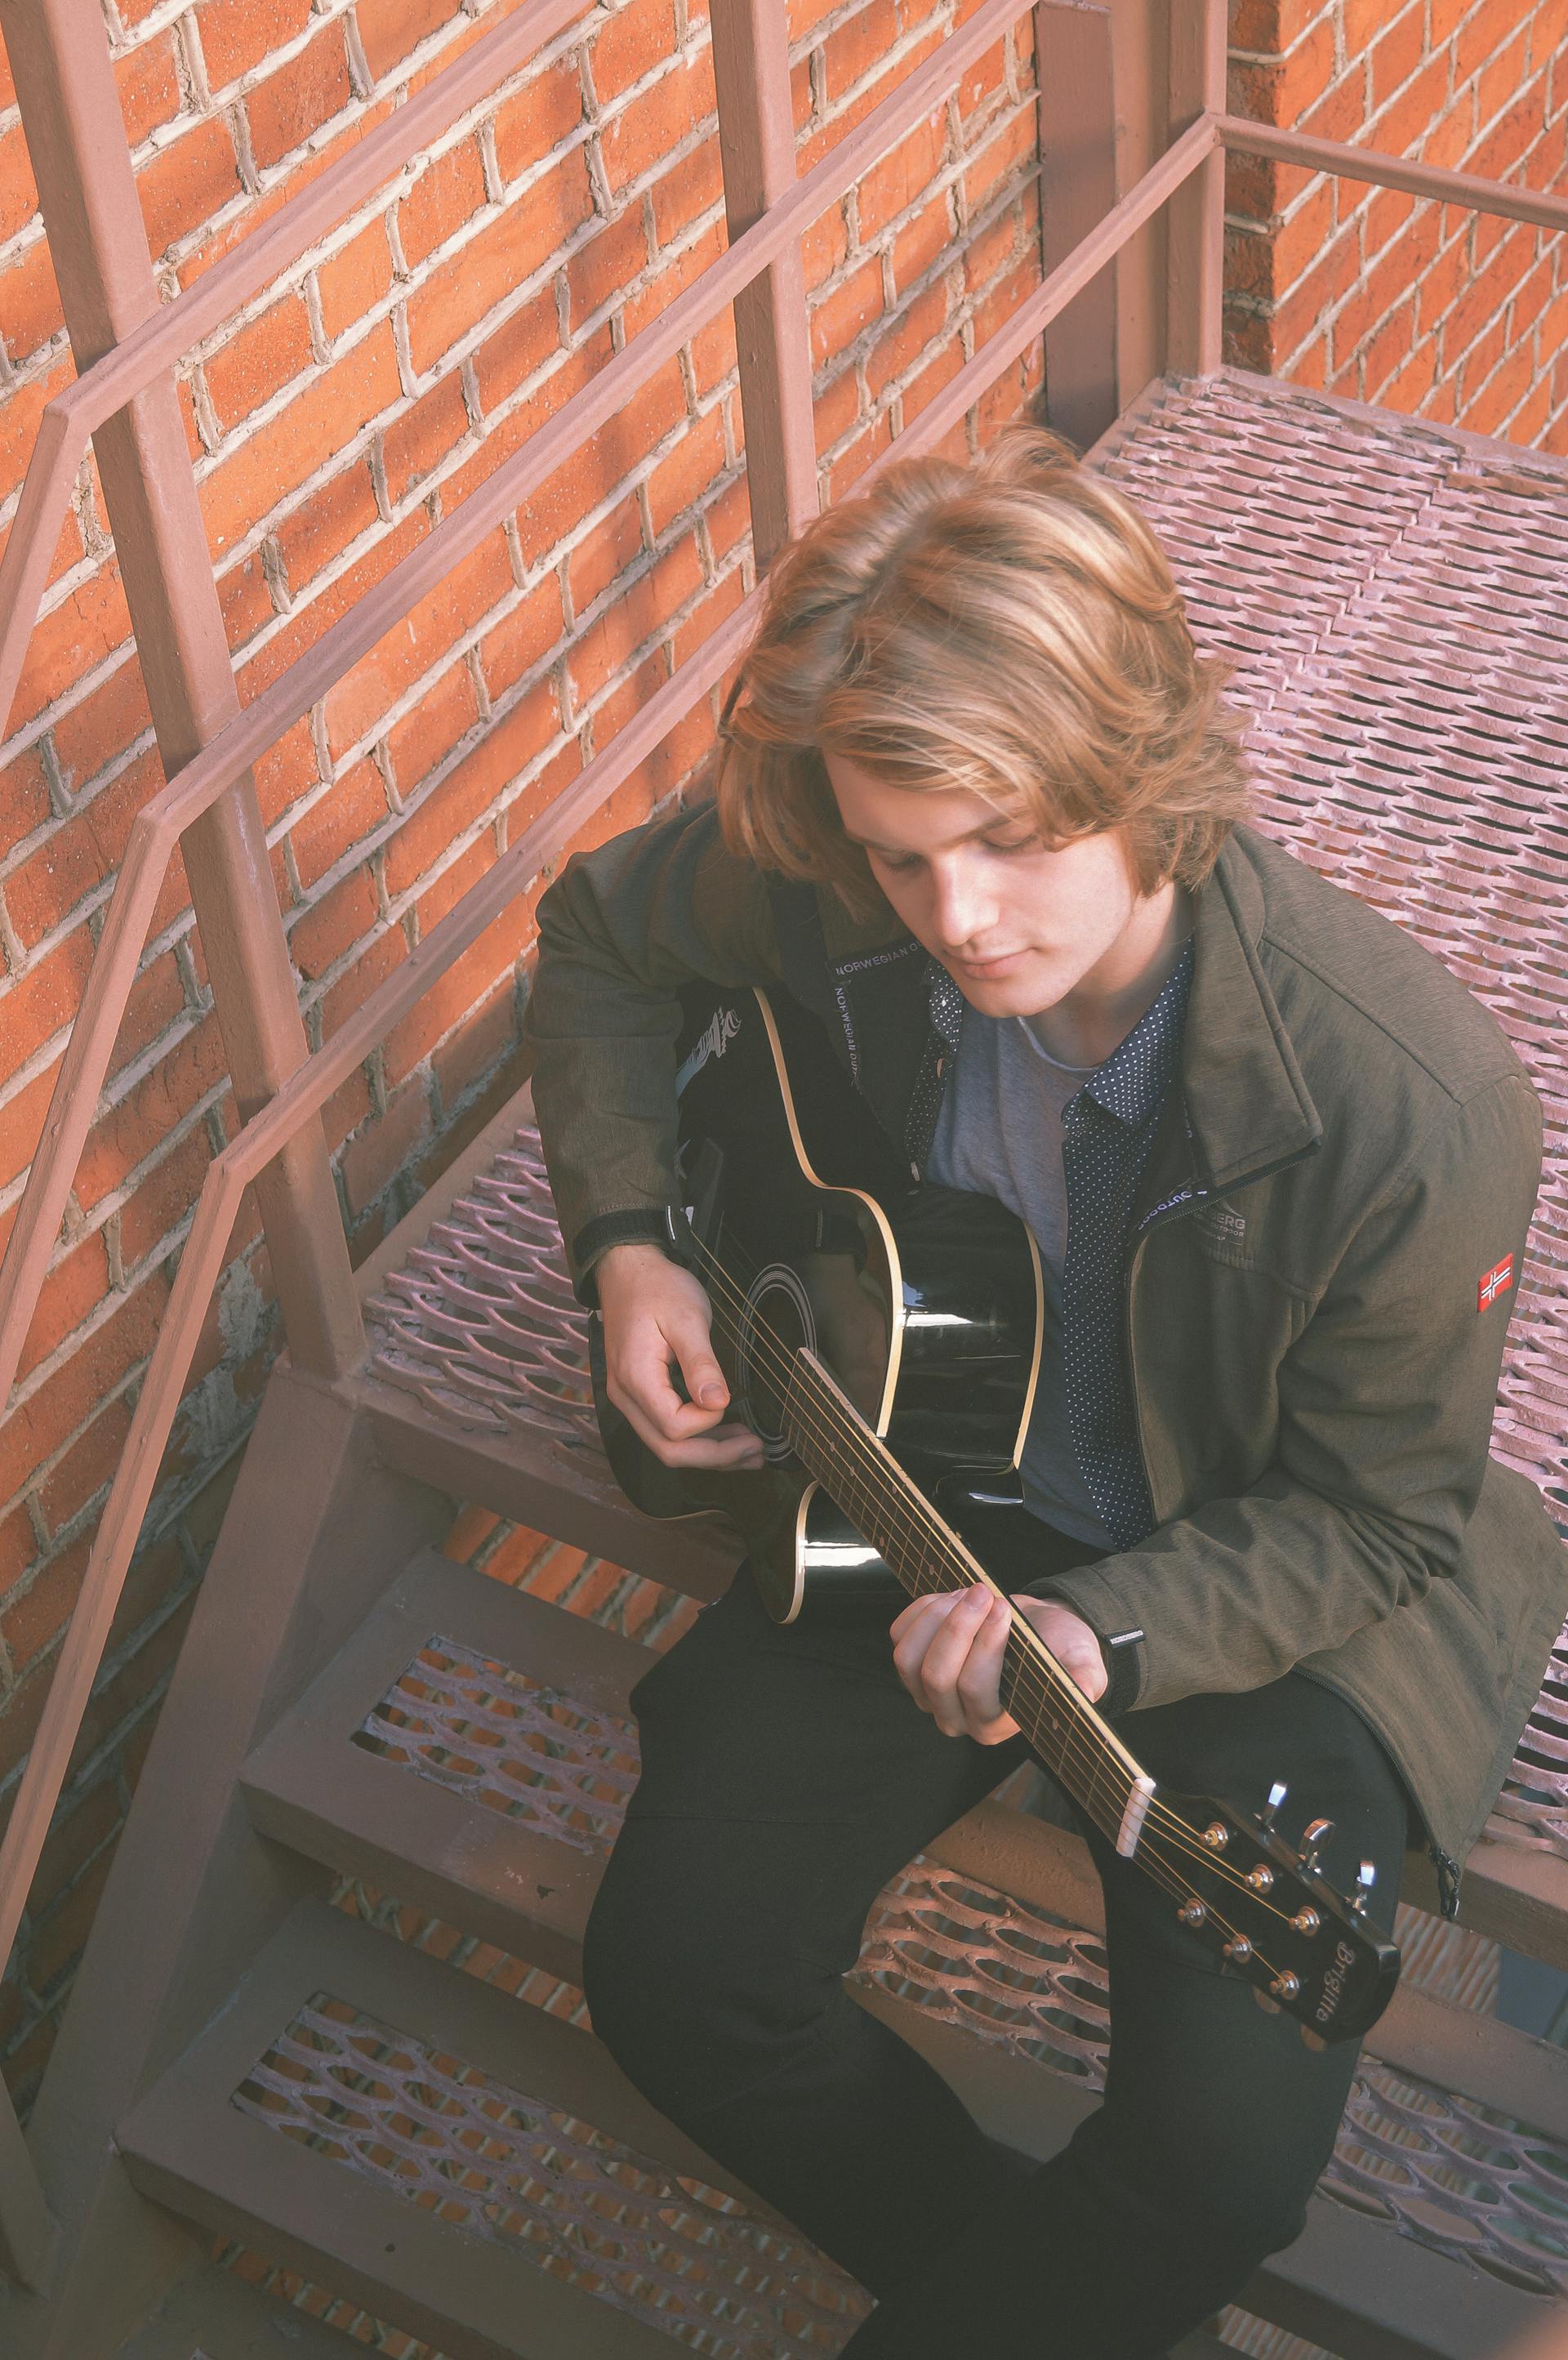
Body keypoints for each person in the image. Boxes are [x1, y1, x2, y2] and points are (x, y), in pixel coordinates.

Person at [520, 427, 1566, 2357]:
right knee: (676, 1970)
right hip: (926, 1477)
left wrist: (1098, 1626)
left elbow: (1380, 1513)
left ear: (1141, 770)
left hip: (1250, 1581)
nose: (960, 913)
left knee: (1212, 2166)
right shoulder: (843, 885)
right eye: (907, 855)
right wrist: (630, 1239)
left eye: (1011, 837)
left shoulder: (1411, 1103)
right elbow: (597, 931)